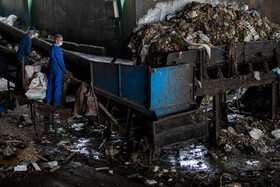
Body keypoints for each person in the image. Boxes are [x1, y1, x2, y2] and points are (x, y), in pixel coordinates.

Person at [46, 34, 66, 106]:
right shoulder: (58, 50)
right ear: (56, 41)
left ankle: (48, 101)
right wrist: (64, 70)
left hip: (52, 69)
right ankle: (56, 102)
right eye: (60, 40)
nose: (61, 42)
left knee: (50, 85)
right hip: (58, 70)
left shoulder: (51, 48)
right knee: (58, 86)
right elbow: (60, 61)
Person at [15, 27, 36, 91]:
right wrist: (31, 55)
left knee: (18, 73)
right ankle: (22, 87)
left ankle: (17, 87)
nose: (34, 35)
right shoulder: (28, 39)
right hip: (22, 58)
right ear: (31, 33)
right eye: (34, 33)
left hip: (19, 57)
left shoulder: (25, 36)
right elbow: (27, 51)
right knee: (23, 73)